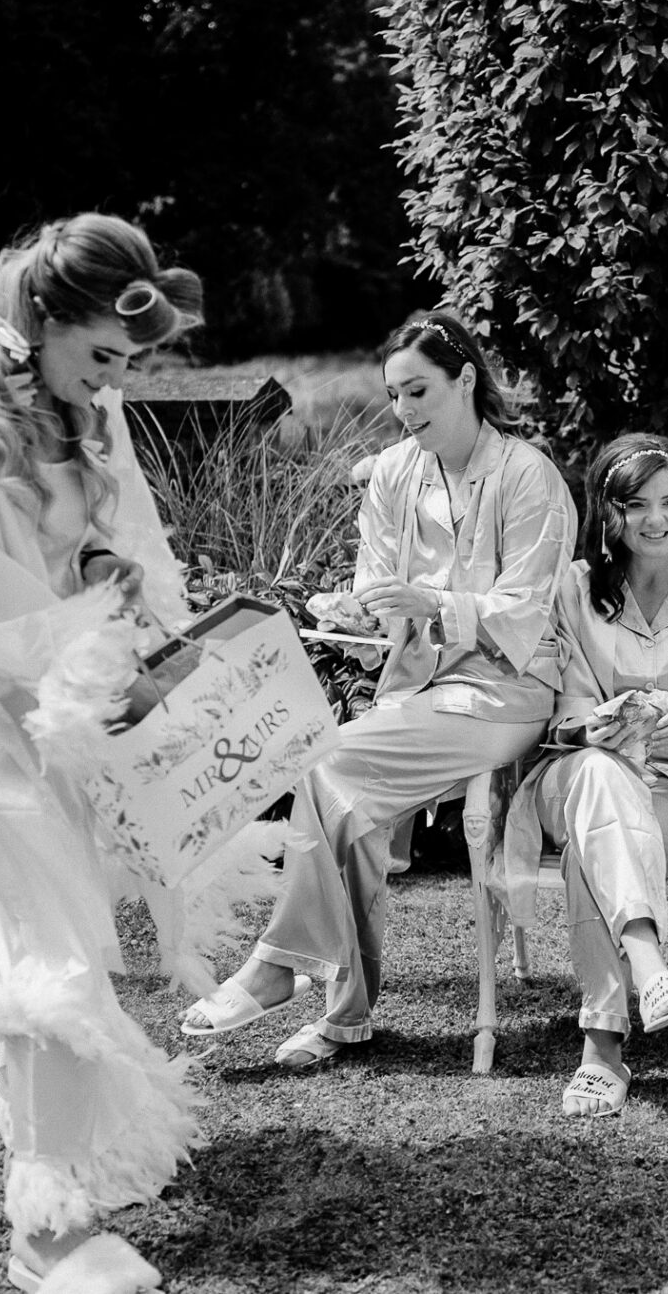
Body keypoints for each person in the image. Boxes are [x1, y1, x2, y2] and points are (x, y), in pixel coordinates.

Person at [0, 213, 204, 1292]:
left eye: (125, 364)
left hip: (75, 679)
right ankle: (45, 1226)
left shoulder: (87, 404)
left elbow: (122, 538)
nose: (112, 382)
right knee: (48, 913)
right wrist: (101, 660)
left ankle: (86, 1153)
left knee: (69, 907)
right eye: (102, 356)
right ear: (43, 319)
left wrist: (124, 589)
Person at [180, 311, 577, 1069]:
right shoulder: (393, 471)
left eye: (419, 390)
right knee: (349, 810)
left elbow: (528, 611)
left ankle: (277, 967)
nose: (405, 411)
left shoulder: (528, 476)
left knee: (329, 765)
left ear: (465, 379)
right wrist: (358, 611)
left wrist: (432, 605)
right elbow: (377, 587)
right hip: (417, 686)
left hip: (507, 692)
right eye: (394, 396)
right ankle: (344, 1019)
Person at [495, 433, 668, 1117]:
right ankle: (647, 968)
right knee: (595, 775)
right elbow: (562, 705)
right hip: (578, 773)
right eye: (636, 504)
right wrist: (596, 726)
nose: (656, 520)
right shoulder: (574, 589)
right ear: (607, 511)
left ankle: (603, 1045)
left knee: (595, 845)